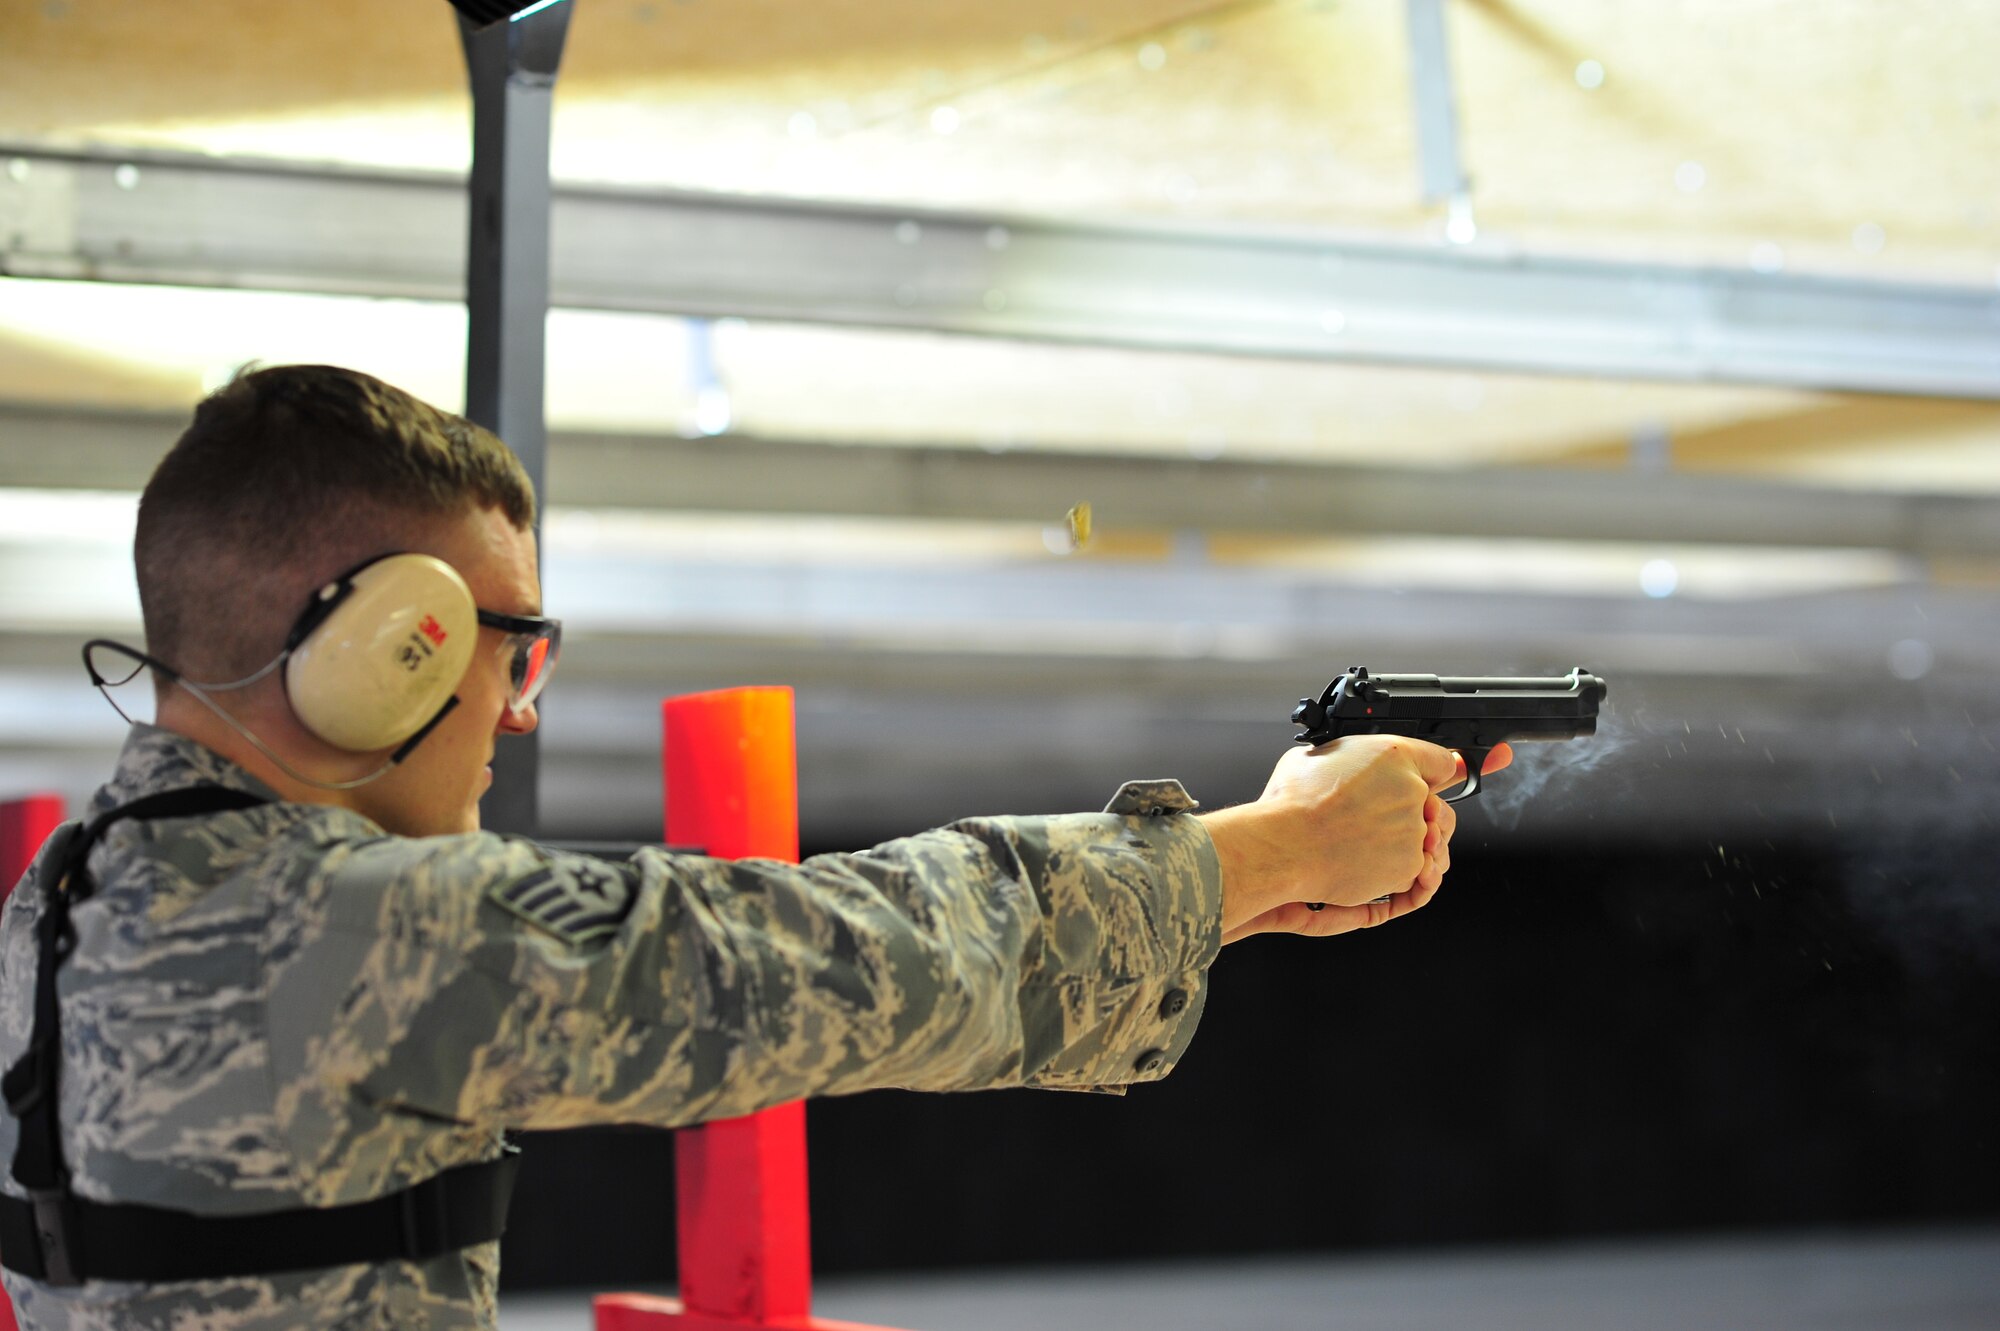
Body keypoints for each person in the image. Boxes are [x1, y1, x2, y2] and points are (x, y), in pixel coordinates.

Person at [0, 365, 1508, 1329]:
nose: (516, 713)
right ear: (400, 646)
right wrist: (1269, 843)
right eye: (507, 649)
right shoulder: (361, 930)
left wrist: (1241, 890)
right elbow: (849, 960)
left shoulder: (64, 905)